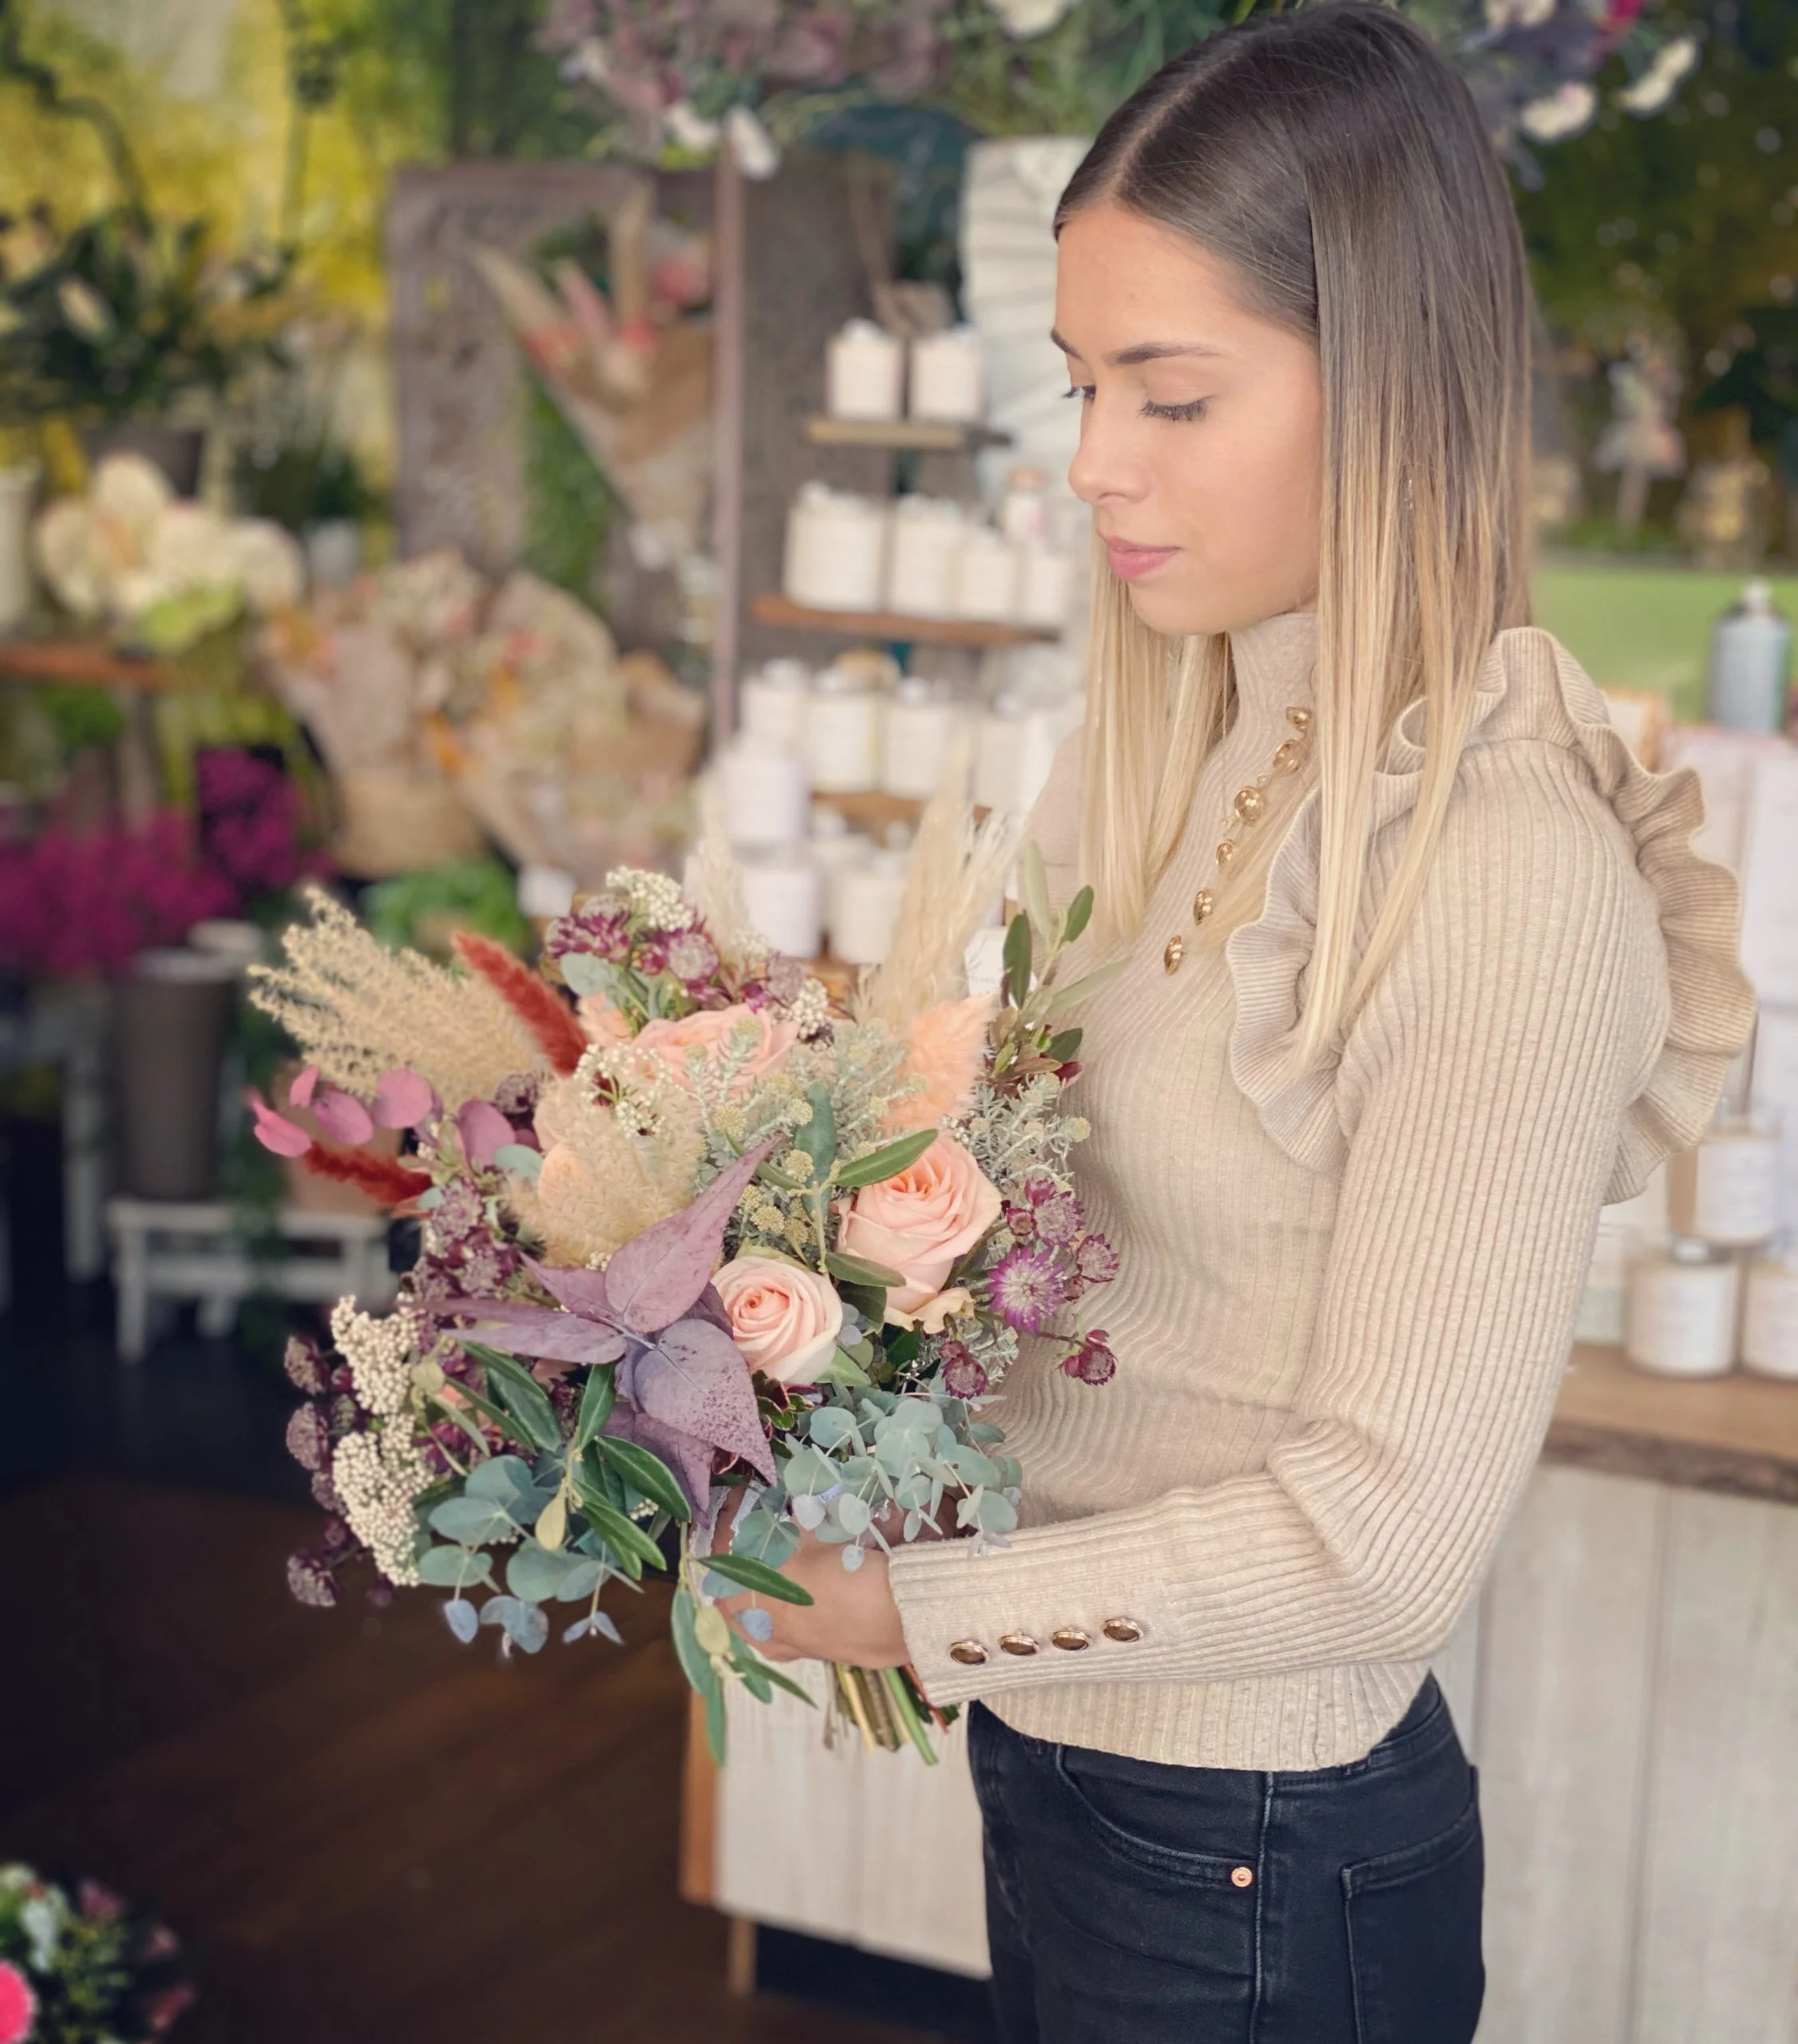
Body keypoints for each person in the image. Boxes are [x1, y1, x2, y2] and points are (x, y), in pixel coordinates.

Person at [718, 6, 1756, 2038]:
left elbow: (1380, 1546)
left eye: (1171, 394)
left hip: (1258, 1855)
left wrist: (907, 1605)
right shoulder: (1184, 739)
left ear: (1383, 387)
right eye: (1082, 383)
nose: (1096, 459)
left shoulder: (1499, 864)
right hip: (1086, 1775)